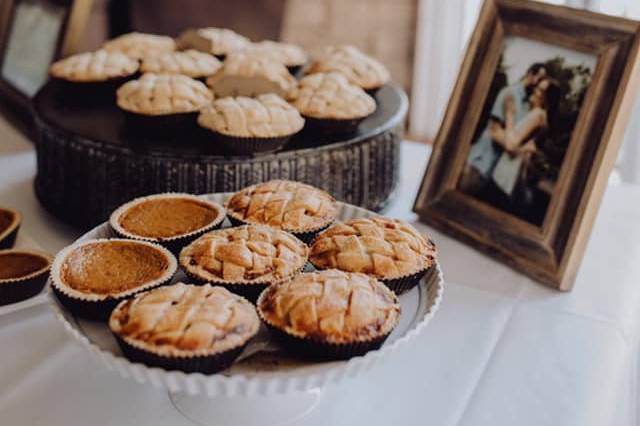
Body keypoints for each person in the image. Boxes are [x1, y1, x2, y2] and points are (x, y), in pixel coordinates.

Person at [460, 63, 547, 196]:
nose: (539, 84)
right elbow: (494, 130)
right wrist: (517, 149)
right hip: (480, 164)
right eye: (539, 78)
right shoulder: (509, 93)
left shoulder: (527, 106)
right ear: (530, 74)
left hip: (495, 173)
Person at [490, 78, 562, 214]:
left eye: (540, 90)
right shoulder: (538, 116)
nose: (535, 90)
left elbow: (511, 145)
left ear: (547, 99)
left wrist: (509, 114)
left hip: (505, 181)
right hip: (507, 180)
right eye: (537, 87)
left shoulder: (538, 115)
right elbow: (517, 144)